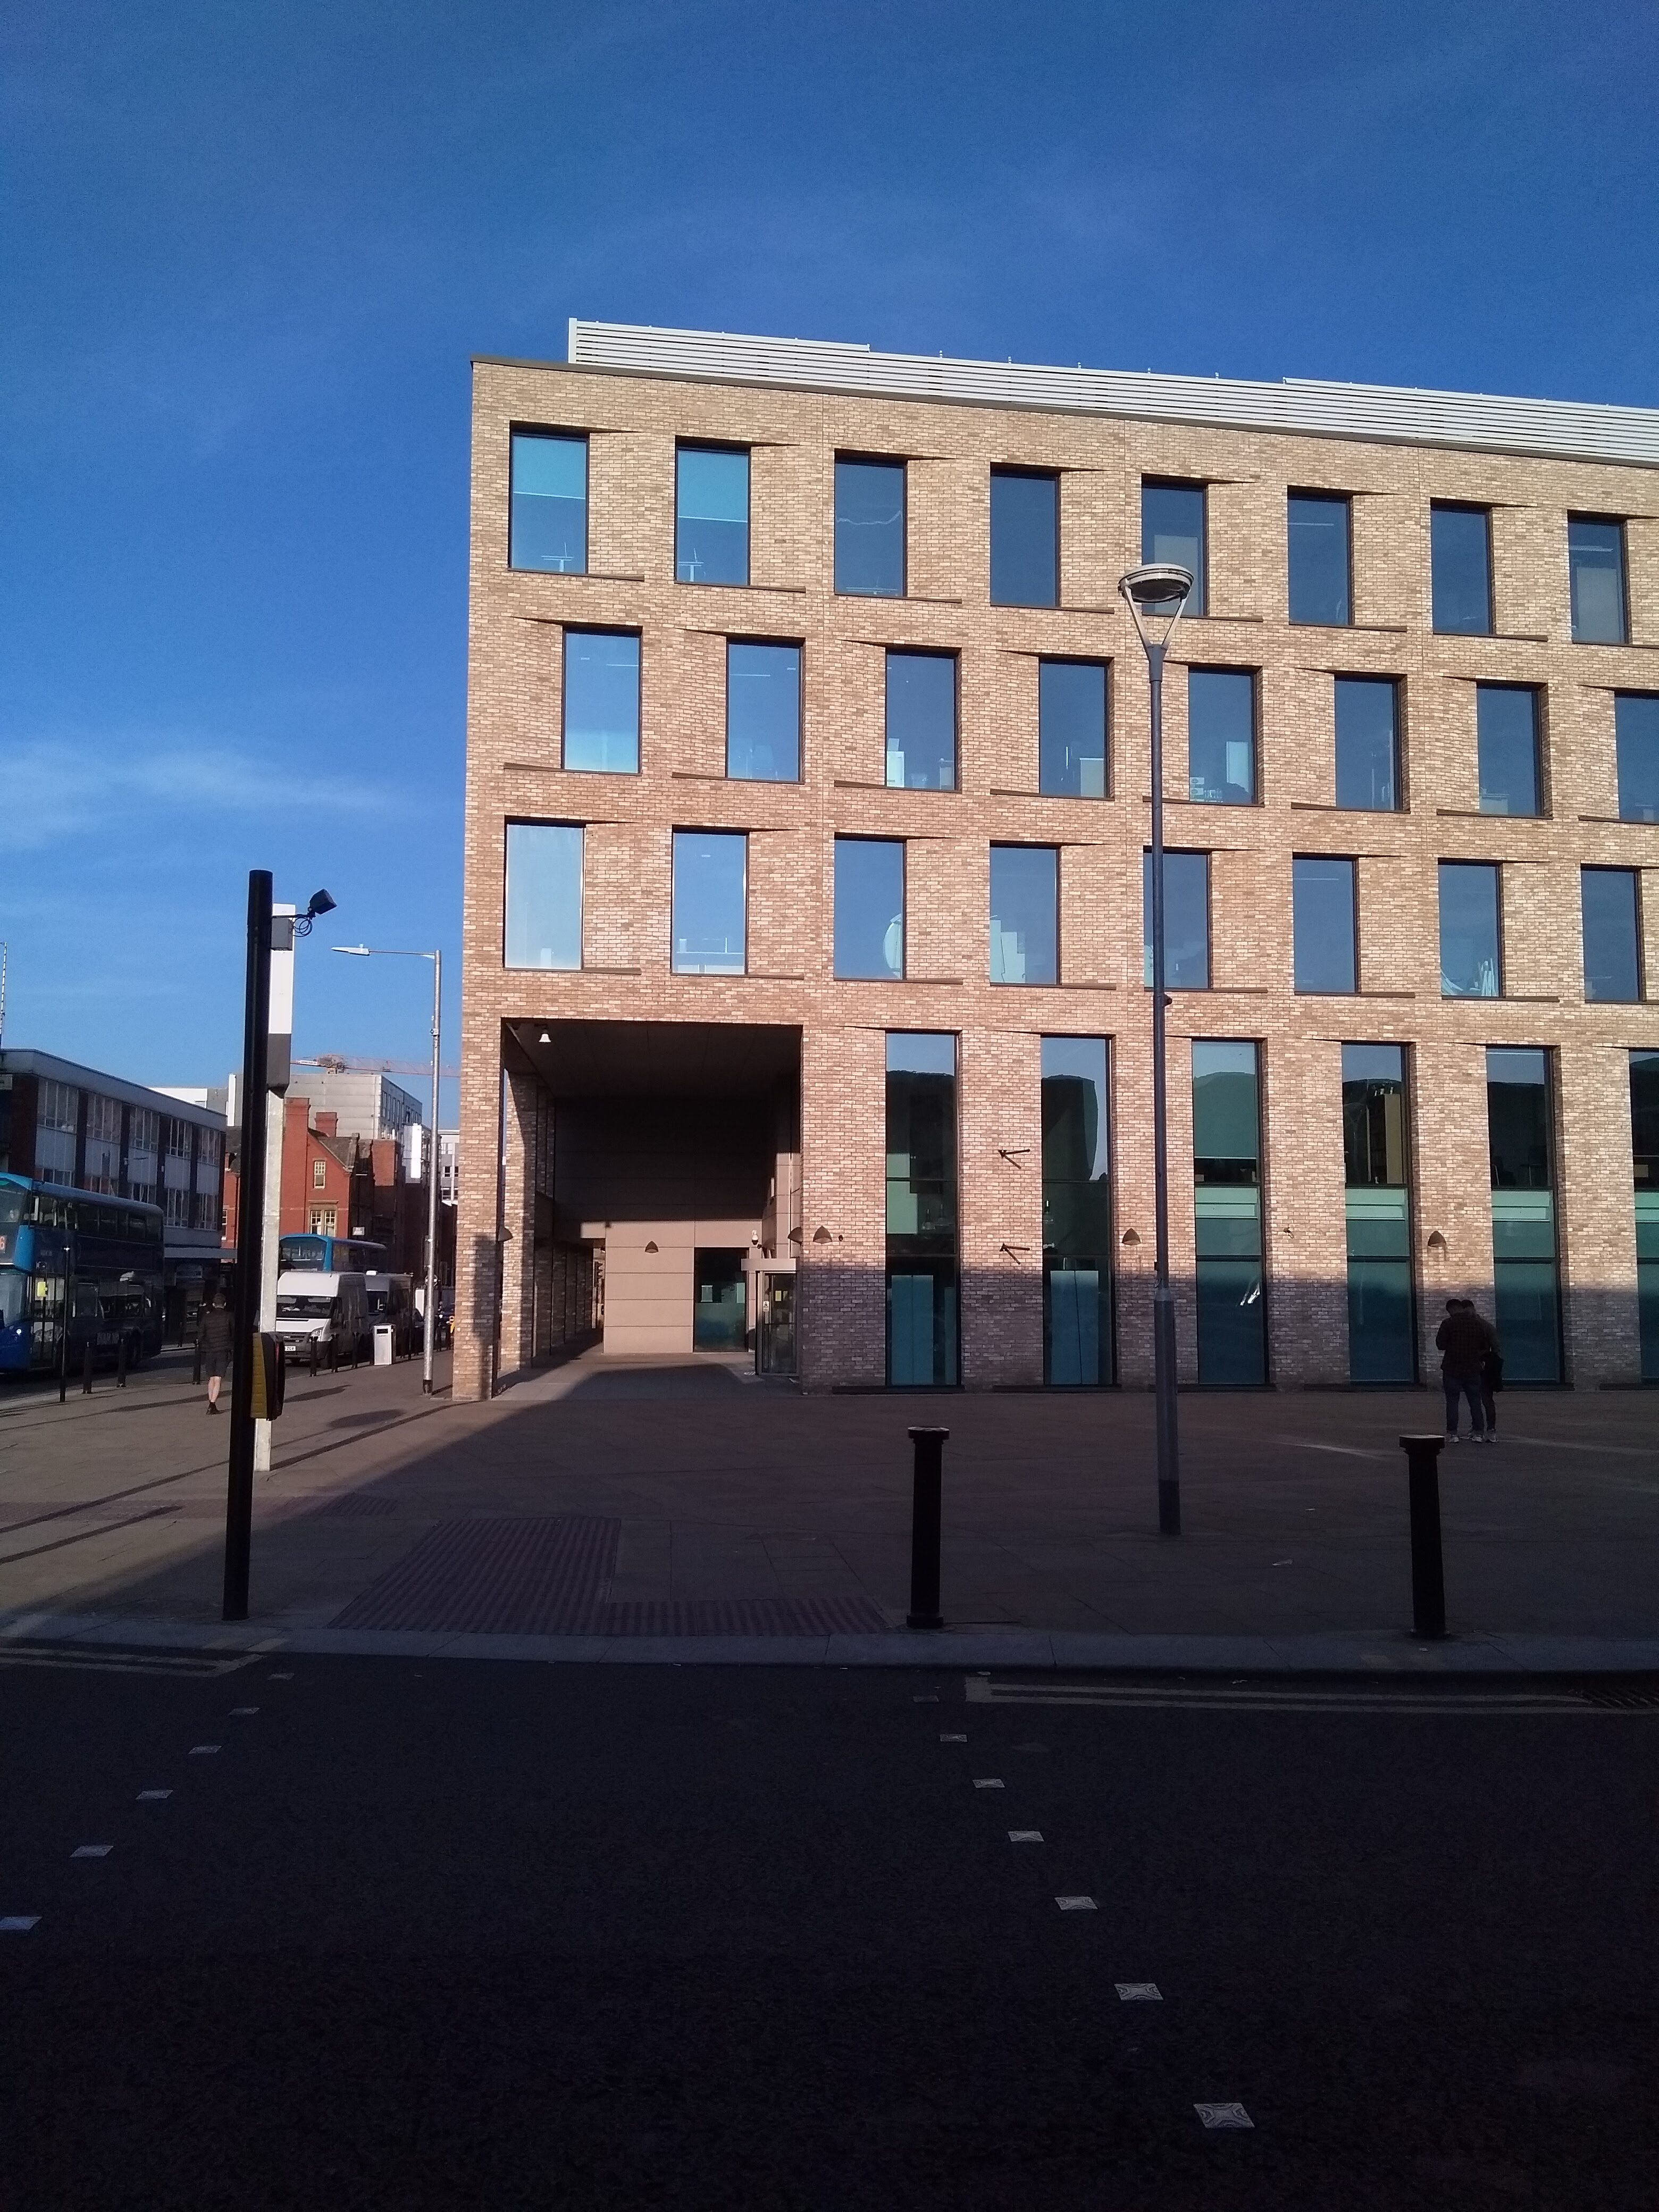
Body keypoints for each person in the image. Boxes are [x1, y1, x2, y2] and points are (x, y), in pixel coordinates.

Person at [1435, 1295, 1495, 1444]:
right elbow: (1484, 1345)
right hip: (1473, 1368)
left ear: (1450, 1310)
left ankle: (1452, 1434)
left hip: (1452, 1368)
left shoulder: (1448, 1323)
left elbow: (1441, 1345)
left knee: (1452, 1402)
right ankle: (1478, 1433)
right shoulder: (1476, 1324)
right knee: (1475, 1401)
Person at [197, 1289, 233, 1415]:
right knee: (218, 1379)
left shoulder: (207, 1318)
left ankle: (210, 1402)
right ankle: (212, 1404)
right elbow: (234, 1333)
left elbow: (201, 1335)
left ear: (213, 1304)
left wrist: (205, 1346)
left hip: (210, 1352)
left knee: (211, 1378)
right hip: (223, 1351)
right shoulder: (229, 1317)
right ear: (225, 1304)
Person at [1477, 1308, 1504, 1441]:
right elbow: (1497, 1348)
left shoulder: (1479, 1327)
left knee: (1478, 1400)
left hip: (1479, 1368)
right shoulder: (1487, 1326)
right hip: (1487, 1368)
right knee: (1487, 1400)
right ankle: (1490, 1429)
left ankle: (1478, 1429)